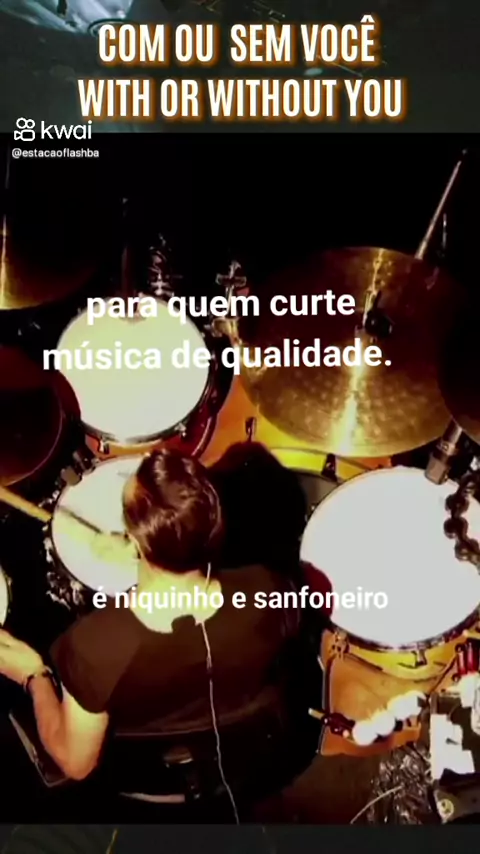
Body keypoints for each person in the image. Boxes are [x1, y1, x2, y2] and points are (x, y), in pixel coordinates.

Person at [0, 449, 312, 815]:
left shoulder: (95, 645)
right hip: (250, 748)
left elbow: (75, 763)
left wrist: (33, 676)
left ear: (136, 541)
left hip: (140, 767)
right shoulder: (268, 589)